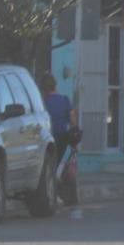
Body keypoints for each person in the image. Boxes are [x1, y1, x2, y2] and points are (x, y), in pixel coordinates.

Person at [39, 72, 79, 211]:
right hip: (62, 138)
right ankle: (54, 195)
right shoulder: (65, 100)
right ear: (55, 85)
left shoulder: (43, 102)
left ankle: (51, 195)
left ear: (43, 89)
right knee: (54, 167)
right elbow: (73, 121)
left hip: (46, 138)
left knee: (47, 168)